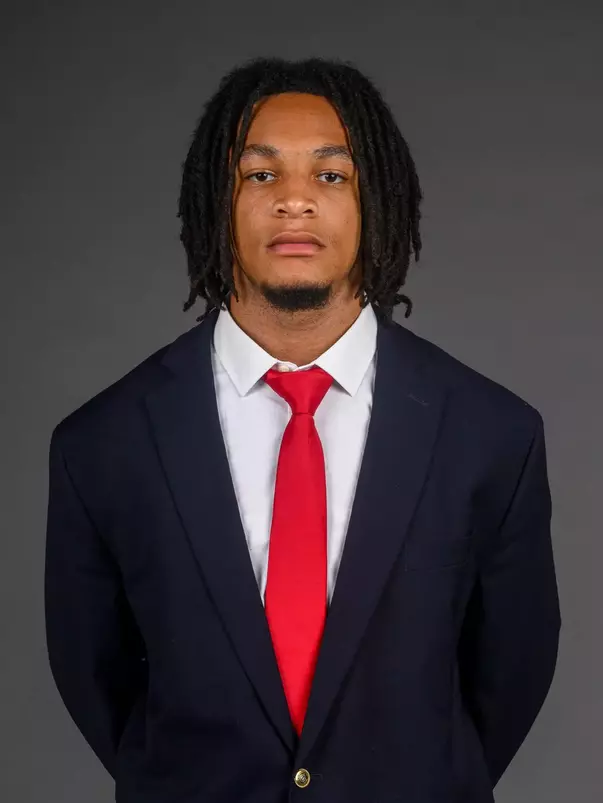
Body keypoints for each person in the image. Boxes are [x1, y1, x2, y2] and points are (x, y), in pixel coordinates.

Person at [44, 56, 561, 803]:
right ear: (212, 202)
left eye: (330, 175)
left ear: (374, 198)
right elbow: (97, 678)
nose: (293, 201)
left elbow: (508, 675)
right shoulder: (103, 442)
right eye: (259, 175)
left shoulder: (491, 434)